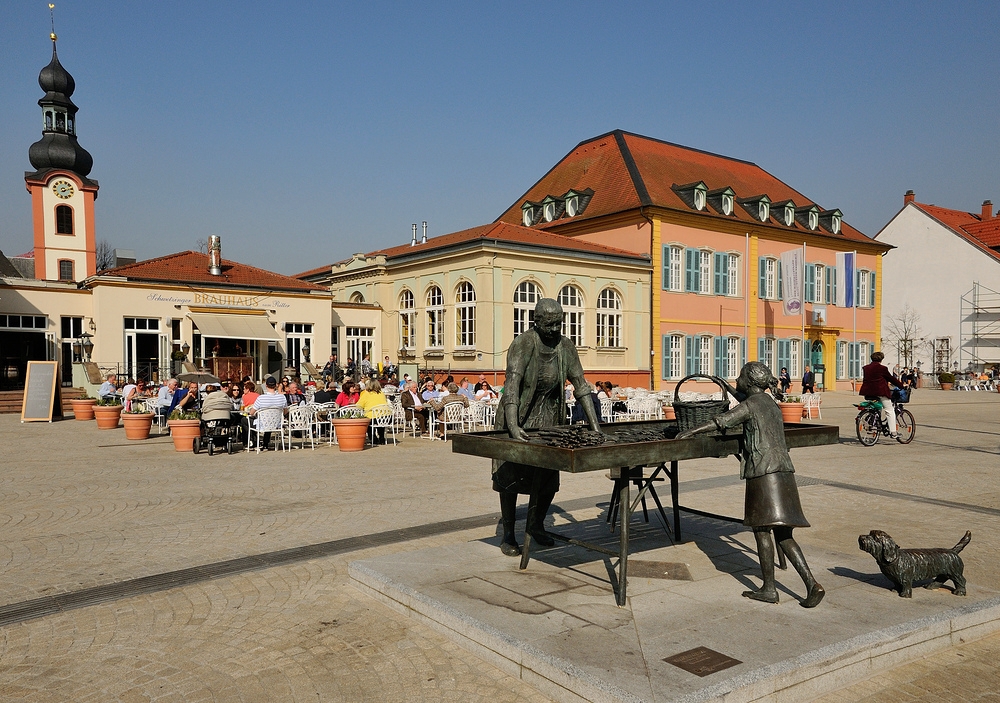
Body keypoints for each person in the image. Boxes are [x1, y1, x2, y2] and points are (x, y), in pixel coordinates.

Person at [676, 362, 825, 608]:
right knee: (784, 533)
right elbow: (746, 403)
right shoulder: (769, 404)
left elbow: (722, 420)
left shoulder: (750, 405)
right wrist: (727, 387)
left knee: (761, 530)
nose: (737, 379)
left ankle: (769, 588)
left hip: (762, 473)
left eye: (740, 376)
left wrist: (690, 431)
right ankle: (811, 584)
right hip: (784, 471)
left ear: (749, 381)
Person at [494, 298, 602, 557]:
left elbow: (581, 385)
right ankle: (509, 534)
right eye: (550, 324)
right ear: (537, 322)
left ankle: (536, 525)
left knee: (548, 480)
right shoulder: (523, 343)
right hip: (517, 416)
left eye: (559, 324)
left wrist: (595, 426)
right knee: (510, 478)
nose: (555, 329)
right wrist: (512, 425)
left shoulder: (565, 346)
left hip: (550, 420)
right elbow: (512, 385)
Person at [859, 351, 904, 439]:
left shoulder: (866, 368)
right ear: (881, 359)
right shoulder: (882, 368)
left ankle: (873, 422)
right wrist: (901, 385)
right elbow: (891, 378)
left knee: (877, 407)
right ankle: (893, 433)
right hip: (880, 392)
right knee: (889, 410)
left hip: (868, 392)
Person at [246, 377, 287, 450]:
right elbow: (285, 411)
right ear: (276, 385)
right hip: (276, 423)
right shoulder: (282, 397)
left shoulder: (261, 398)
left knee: (245, 420)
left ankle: (253, 442)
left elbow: (251, 412)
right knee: (270, 420)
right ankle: (265, 443)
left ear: (266, 386)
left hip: (263, 423)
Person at [357, 379, 390, 444]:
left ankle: (373, 438)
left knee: (367, 422)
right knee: (380, 423)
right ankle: (381, 438)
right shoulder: (381, 393)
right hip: (387, 417)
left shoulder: (366, 394)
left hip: (373, 417)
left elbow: (359, 405)